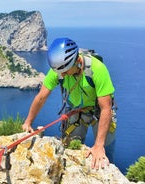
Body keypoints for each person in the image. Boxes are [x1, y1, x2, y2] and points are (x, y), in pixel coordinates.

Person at [22, 37, 117, 170]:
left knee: (105, 150)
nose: (63, 75)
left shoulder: (97, 69)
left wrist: (99, 146)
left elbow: (106, 108)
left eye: (66, 71)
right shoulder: (59, 70)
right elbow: (41, 97)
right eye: (60, 72)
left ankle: (108, 169)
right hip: (76, 110)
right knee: (69, 147)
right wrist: (28, 122)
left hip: (99, 111)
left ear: (77, 61)